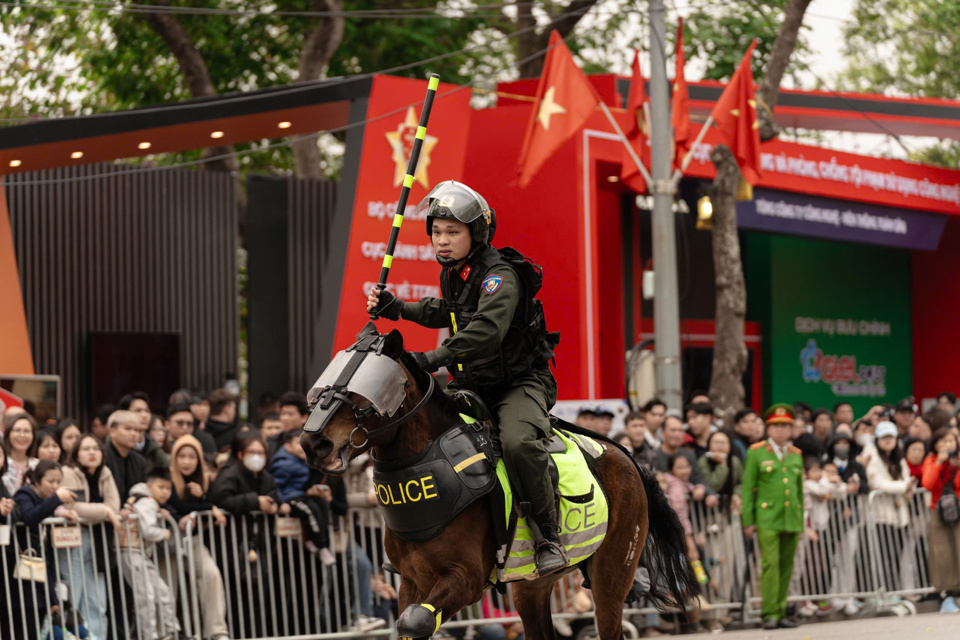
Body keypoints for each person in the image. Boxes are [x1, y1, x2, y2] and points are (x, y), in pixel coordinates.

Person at [366, 180, 565, 576]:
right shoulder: (455, 272)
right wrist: (397, 307)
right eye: (437, 232)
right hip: (472, 384)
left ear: (477, 233)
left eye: (452, 232)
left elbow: (484, 331)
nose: (442, 240)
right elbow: (447, 311)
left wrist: (431, 358)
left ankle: (548, 535)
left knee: (518, 442)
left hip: (519, 383)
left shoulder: (499, 276)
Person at [741, 403, 804, 630]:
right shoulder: (756, 452)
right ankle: (769, 612)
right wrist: (748, 520)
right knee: (770, 564)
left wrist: (802, 520)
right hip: (767, 517)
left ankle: (781, 609)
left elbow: (799, 490)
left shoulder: (796, 455)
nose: (780, 431)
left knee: (787, 565)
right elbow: (747, 489)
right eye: (776, 426)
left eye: (785, 426)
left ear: (791, 429)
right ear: (768, 429)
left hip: (791, 517)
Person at [165, 435, 231, 640]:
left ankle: (217, 632)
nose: (186, 461)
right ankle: (165, 632)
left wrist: (203, 497)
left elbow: (213, 502)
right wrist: (207, 507)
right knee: (167, 584)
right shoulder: (167, 478)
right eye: (181, 456)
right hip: (166, 542)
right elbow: (177, 505)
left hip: (192, 541)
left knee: (211, 575)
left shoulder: (203, 479)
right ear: (174, 458)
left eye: (191, 457)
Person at [60, 434, 122, 640]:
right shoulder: (68, 472)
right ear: (76, 452)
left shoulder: (105, 473)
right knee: (74, 595)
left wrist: (103, 511)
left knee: (97, 599)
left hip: (99, 540)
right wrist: (104, 513)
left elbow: (115, 506)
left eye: (96, 448)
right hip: (75, 538)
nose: (92, 452)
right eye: (86, 449)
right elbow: (72, 506)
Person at [121, 468, 182, 640]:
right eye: (161, 487)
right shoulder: (147, 501)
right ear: (149, 486)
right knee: (147, 595)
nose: (165, 492)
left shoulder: (144, 500)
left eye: (168, 488)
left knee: (159, 591)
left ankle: (168, 632)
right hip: (131, 550)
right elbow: (148, 530)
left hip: (138, 552)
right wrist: (164, 533)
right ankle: (156, 634)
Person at [865, 421, 918, 599]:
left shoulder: (899, 458)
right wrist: (904, 486)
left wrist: (908, 487)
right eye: (884, 437)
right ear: (877, 439)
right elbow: (877, 484)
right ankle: (882, 593)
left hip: (899, 515)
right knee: (882, 557)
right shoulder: (871, 455)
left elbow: (907, 480)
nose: (888, 441)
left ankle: (893, 592)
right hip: (880, 516)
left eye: (891, 437)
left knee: (896, 555)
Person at [921, 427, 960, 613]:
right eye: (942, 441)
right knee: (942, 553)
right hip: (938, 511)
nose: (946, 445)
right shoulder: (931, 460)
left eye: (950, 441)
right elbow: (927, 484)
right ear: (935, 444)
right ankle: (948, 596)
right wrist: (939, 463)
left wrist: (956, 465)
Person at [103, 410, 148, 502]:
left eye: (136, 430)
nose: (133, 434)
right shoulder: (101, 456)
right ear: (112, 431)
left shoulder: (140, 461)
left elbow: (141, 491)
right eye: (128, 429)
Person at [698, 431, 743, 503]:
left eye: (723, 443)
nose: (720, 445)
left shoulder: (734, 461)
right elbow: (712, 486)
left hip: (730, 506)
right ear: (709, 444)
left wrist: (737, 493)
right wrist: (722, 465)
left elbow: (742, 483)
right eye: (716, 442)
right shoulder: (703, 461)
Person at [2, 412, 38, 495]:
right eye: (17, 430)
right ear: (8, 434)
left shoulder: (38, 465)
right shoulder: (2, 463)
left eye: (26, 431)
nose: (22, 435)